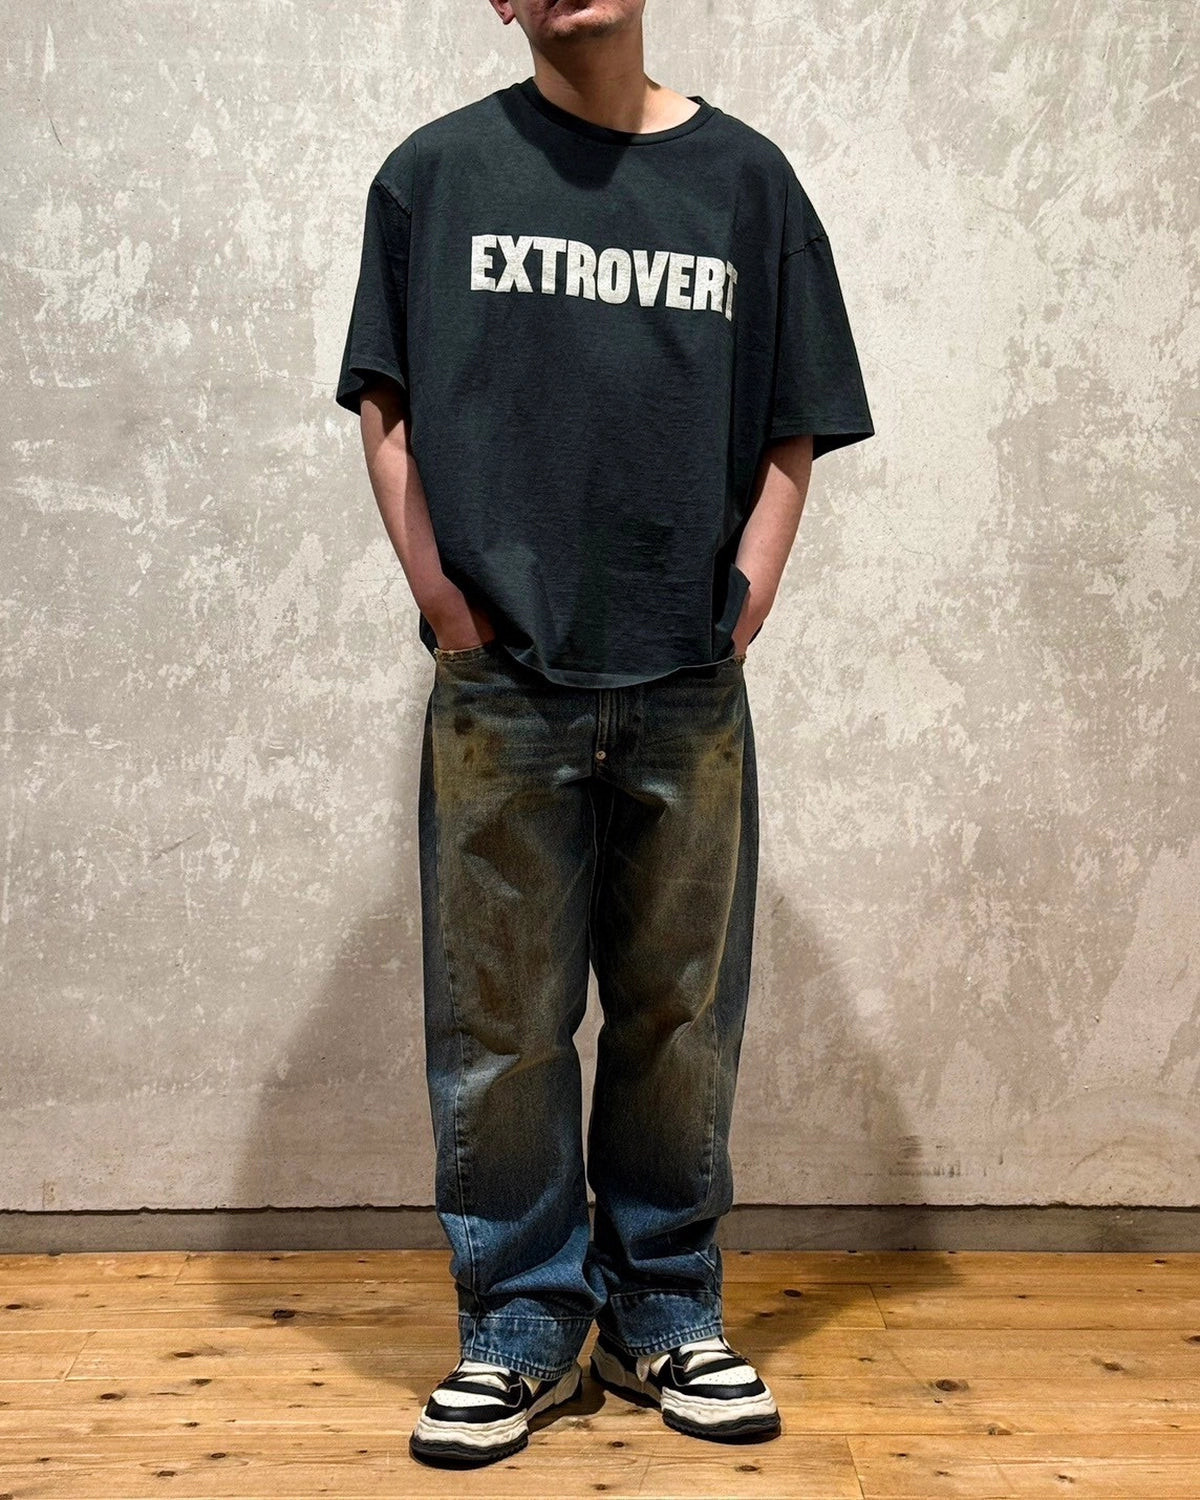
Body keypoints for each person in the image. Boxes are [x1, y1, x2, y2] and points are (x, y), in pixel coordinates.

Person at [335, 0, 873, 1470]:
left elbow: (796, 417)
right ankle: (517, 1322)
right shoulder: (434, 178)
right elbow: (384, 406)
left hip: (687, 677)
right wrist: (446, 605)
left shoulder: (747, 184)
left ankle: (664, 1310)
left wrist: (745, 601)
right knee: (500, 1026)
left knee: (679, 1012)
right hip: (501, 684)